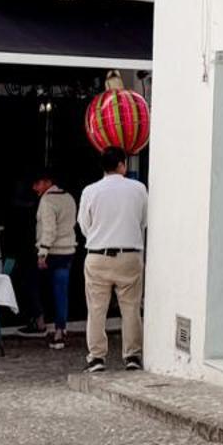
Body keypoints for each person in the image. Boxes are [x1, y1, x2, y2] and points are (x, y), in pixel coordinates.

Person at [78, 147, 146, 373]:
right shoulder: (138, 189)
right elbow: (143, 221)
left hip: (98, 255)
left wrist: (100, 236)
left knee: (96, 309)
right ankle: (132, 356)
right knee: (131, 308)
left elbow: (84, 225)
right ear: (122, 164)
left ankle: (97, 357)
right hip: (129, 255)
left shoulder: (90, 191)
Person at [32, 169, 78, 350]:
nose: (35, 187)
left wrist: (43, 252)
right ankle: (61, 329)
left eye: (37, 183)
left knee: (33, 284)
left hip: (52, 252)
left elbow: (49, 229)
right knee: (62, 291)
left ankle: (40, 321)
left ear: (47, 182)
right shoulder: (69, 197)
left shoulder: (47, 200)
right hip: (68, 251)